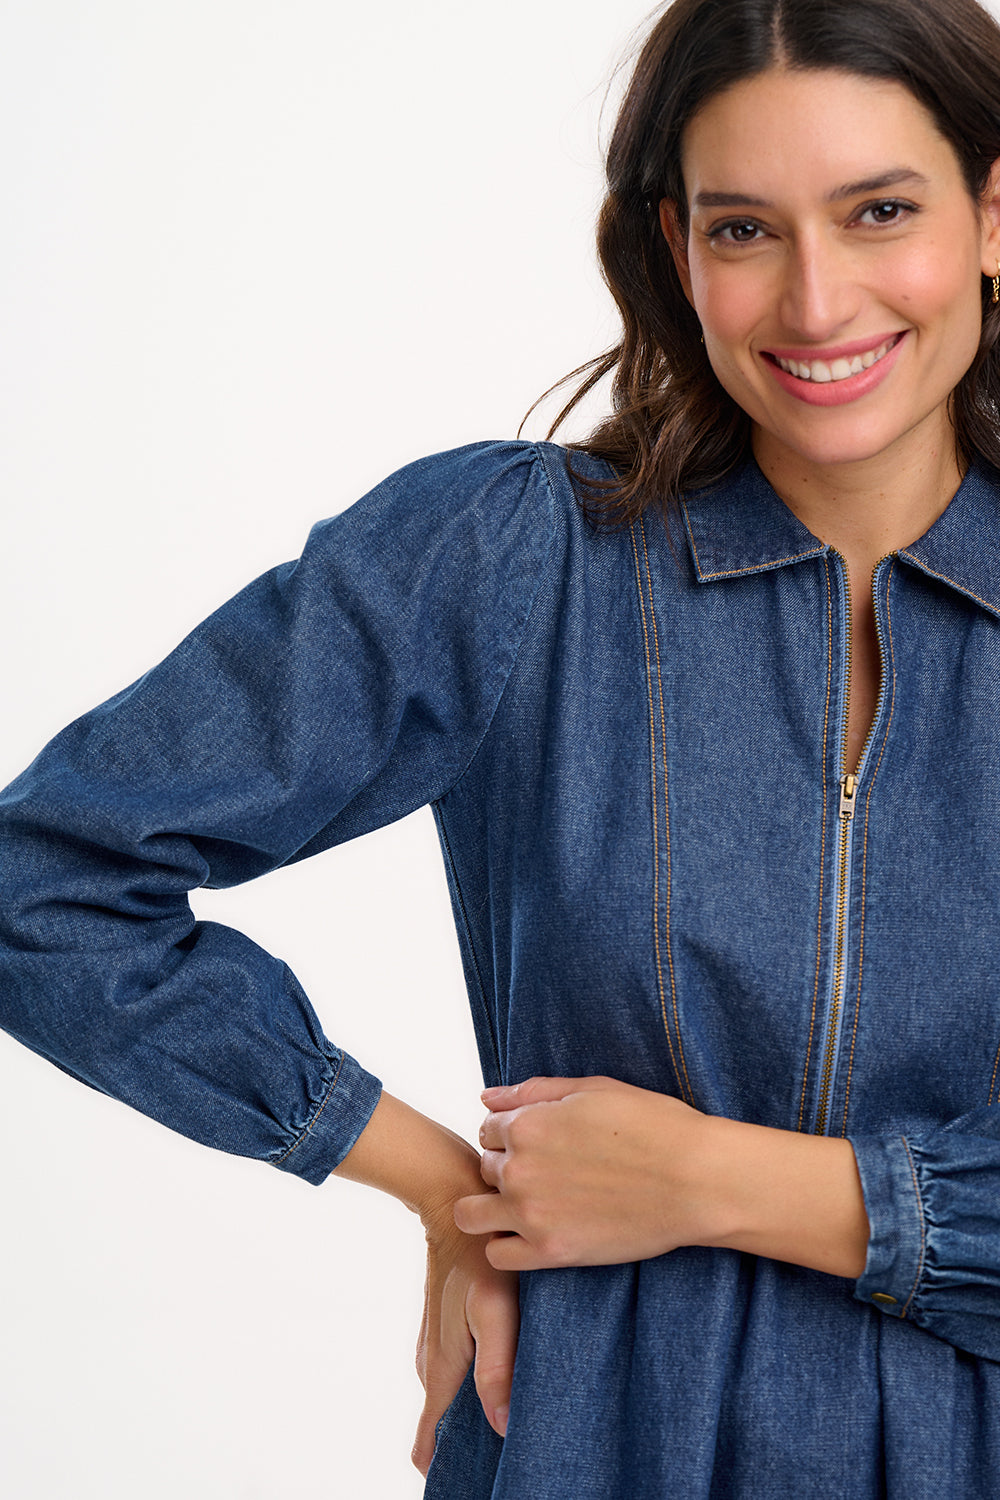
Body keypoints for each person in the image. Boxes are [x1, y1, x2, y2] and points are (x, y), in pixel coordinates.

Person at [5, 0, 1000, 1492]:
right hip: (591, 1445)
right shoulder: (514, 560)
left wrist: (707, 1181)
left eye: (879, 212)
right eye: (743, 229)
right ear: (676, 252)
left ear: (992, 212)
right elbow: (43, 881)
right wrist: (439, 1182)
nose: (815, 300)